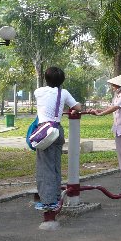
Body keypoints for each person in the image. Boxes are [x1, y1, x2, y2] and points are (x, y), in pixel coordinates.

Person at [34, 67, 82, 211]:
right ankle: (55, 197)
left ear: (46, 79)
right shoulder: (64, 93)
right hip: (57, 130)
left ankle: (48, 202)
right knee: (55, 165)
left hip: (45, 131)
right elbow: (78, 107)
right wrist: (71, 109)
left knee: (45, 167)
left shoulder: (38, 91)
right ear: (62, 80)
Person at [91, 74, 121, 191]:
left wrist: (100, 114)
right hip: (119, 129)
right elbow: (111, 107)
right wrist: (97, 110)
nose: (112, 87)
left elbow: (115, 108)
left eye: (114, 85)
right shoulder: (116, 97)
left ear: (120, 86)